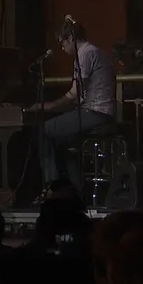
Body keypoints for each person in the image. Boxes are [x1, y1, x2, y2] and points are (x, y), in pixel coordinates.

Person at [25, 18, 117, 197]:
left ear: (72, 37)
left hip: (95, 112)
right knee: (63, 141)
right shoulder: (93, 52)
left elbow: (74, 94)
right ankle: (73, 190)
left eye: (62, 43)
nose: (62, 48)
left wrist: (47, 106)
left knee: (43, 131)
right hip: (99, 111)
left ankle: (52, 188)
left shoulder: (85, 53)